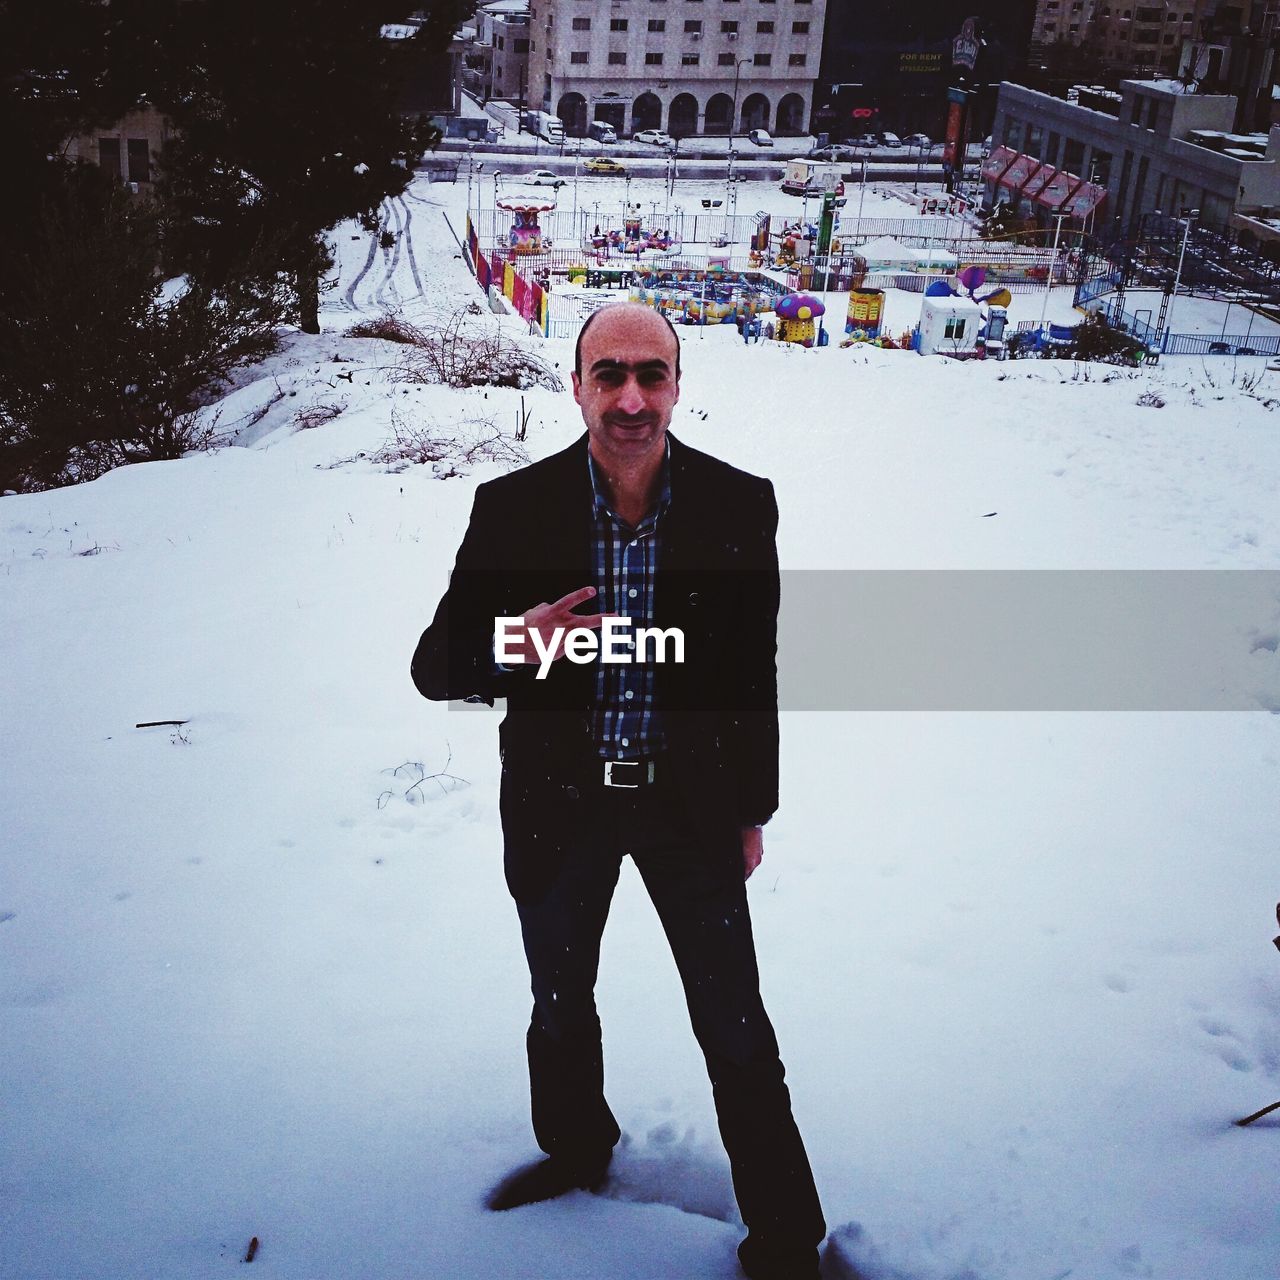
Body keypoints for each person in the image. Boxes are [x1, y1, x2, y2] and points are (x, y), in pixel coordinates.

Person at [411, 303, 825, 1280]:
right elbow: (437, 664)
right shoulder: (515, 508)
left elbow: (747, 672)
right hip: (562, 807)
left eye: (651, 374)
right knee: (560, 999)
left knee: (734, 1024)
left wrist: (750, 810)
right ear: (577, 386)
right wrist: (520, 640)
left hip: (688, 809)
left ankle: (784, 1233)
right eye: (609, 375)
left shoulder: (736, 505)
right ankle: (575, 1146)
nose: (630, 397)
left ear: (677, 385)